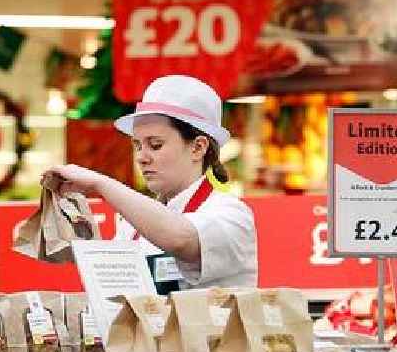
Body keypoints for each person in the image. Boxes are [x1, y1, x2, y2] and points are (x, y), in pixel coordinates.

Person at [44, 75, 256, 293]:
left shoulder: (231, 214)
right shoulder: (131, 227)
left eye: (155, 145)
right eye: (137, 145)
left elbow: (181, 238)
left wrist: (101, 184)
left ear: (198, 147)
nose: (141, 157)